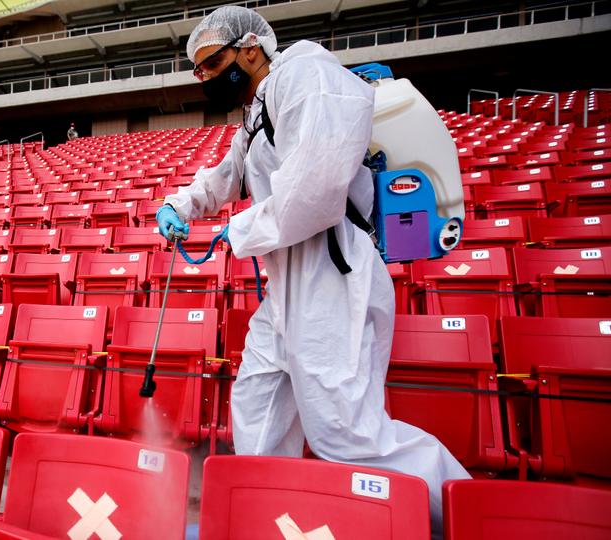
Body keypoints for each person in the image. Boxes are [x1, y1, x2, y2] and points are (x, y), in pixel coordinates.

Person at [157, 5, 469, 536]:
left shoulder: (307, 71)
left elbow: (318, 188)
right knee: (258, 401)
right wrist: (182, 205)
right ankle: (261, 510)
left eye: (211, 64)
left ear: (249, 48)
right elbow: (229, 174)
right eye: (199, 71)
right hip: (287, 285)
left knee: (345, 432)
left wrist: (244, 228)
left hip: (331, 270)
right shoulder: (256, 114)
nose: (206, 78)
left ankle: (468, 510)